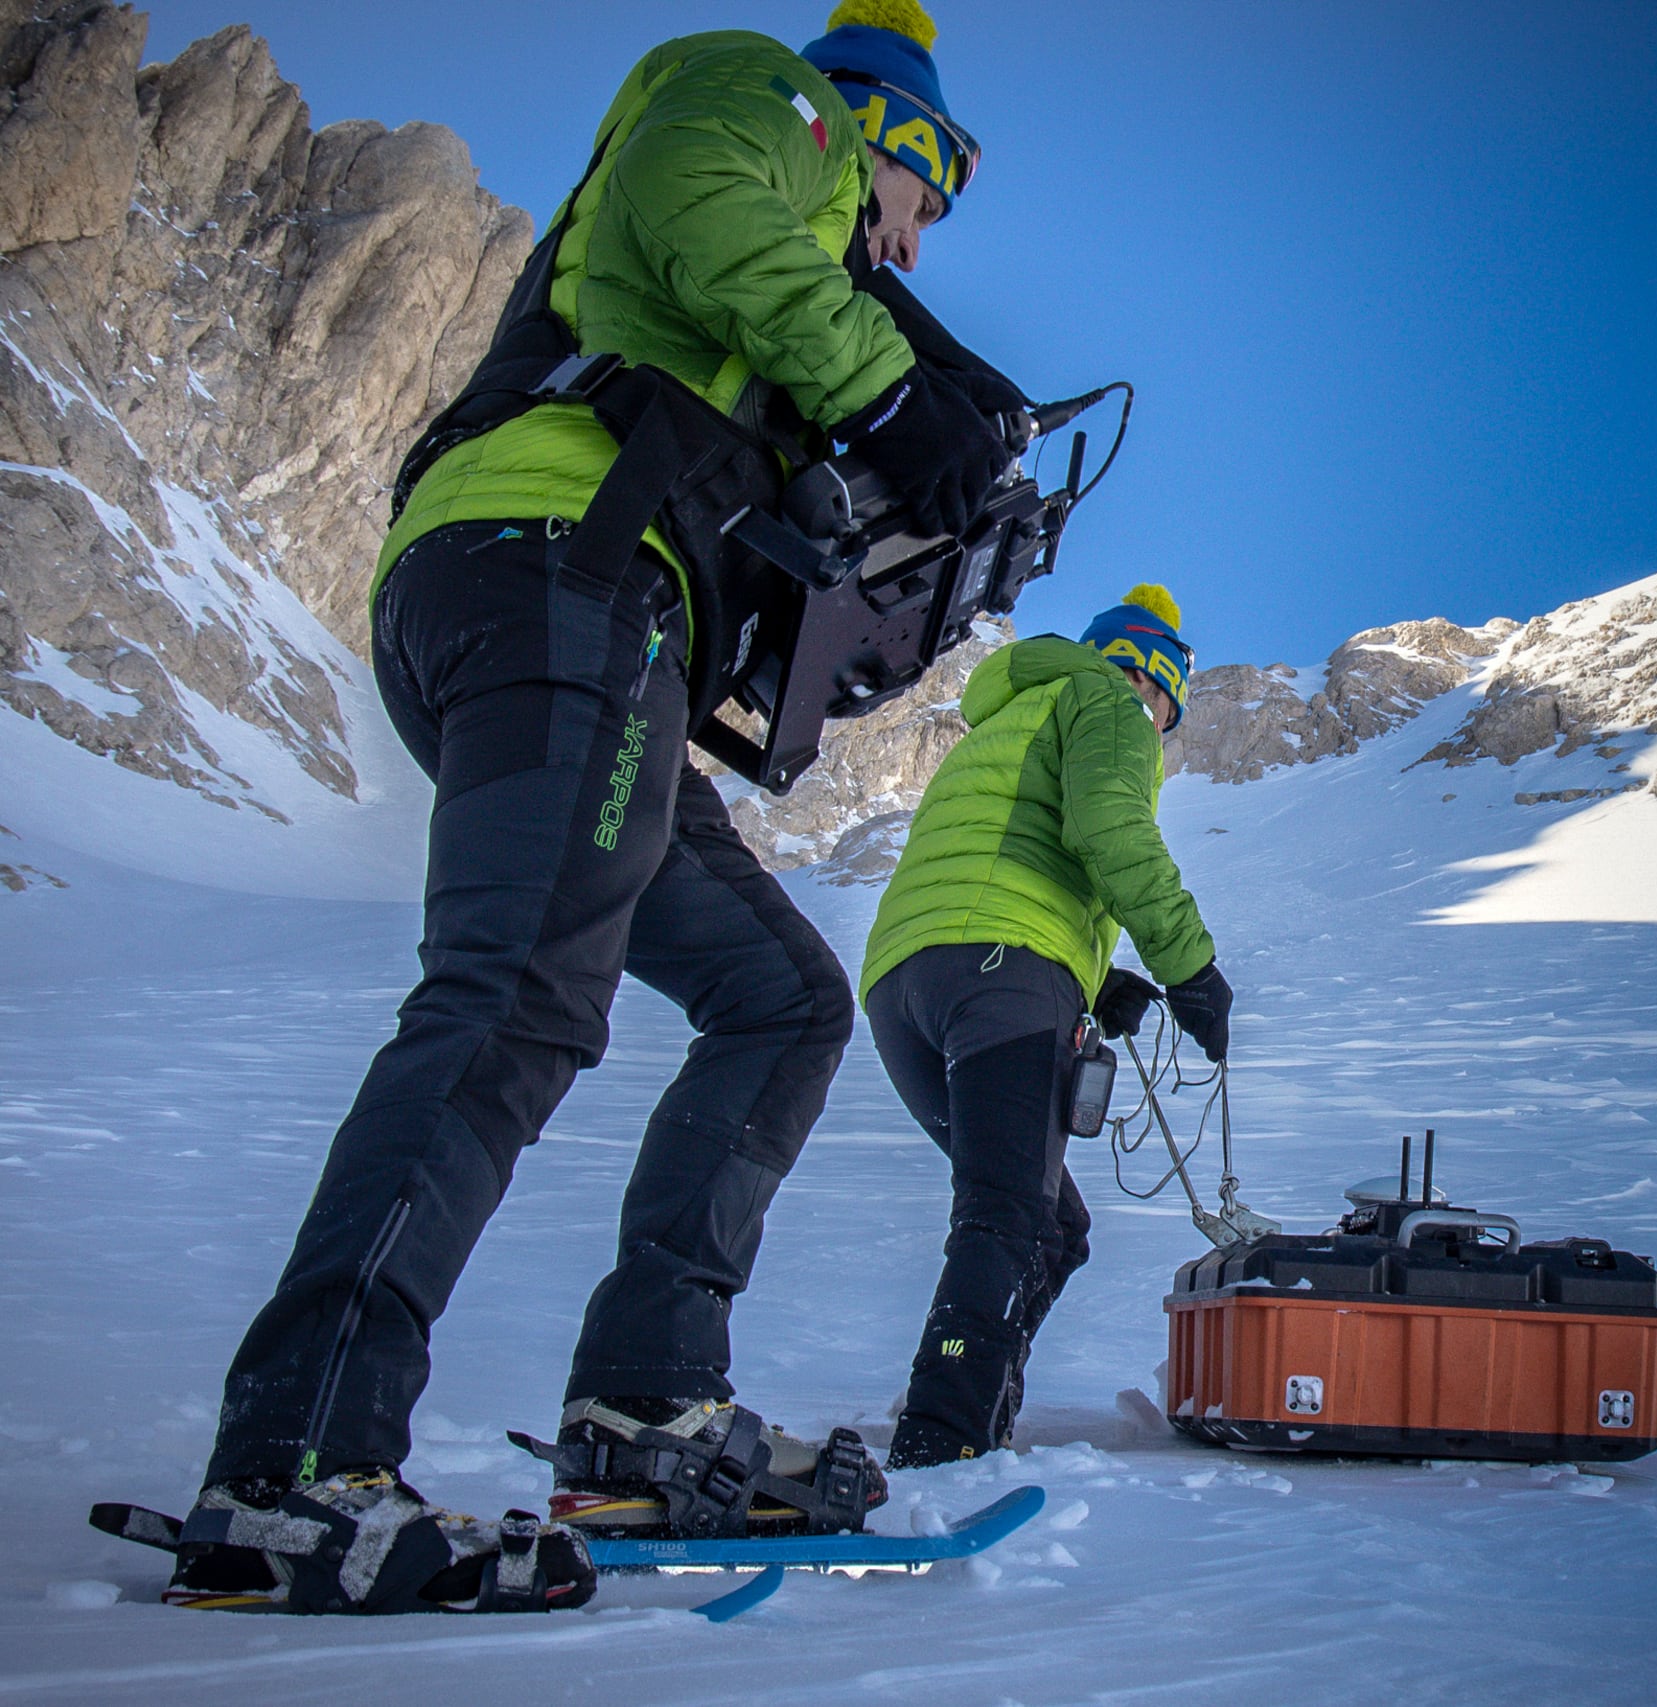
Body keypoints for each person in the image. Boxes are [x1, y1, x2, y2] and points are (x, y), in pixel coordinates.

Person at [165, 2, 1014, 1614]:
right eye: (938, 191)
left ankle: (644, 1408)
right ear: (897, 131)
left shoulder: (809, 245)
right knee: (512, 1002)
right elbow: (701, 202)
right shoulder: (772, 98)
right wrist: (893, 395)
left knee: (781, 998)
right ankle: (292, 1463)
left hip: (590, 624)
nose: (923, 235)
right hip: (552, 570)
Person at [861, 585, 1233, 1468]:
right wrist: (1190, 967)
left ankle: (977, 1395)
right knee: (1012, 1216)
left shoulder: (1013, 715)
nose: (1160, 722)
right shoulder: (1109, 700)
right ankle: (943, 1434)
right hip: (1003, 969)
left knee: (1053, 1224)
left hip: (904, 984)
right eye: (1165, 703)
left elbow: (1007, 852)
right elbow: (1108, 827)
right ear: (1150, 675)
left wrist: (1099, 981)